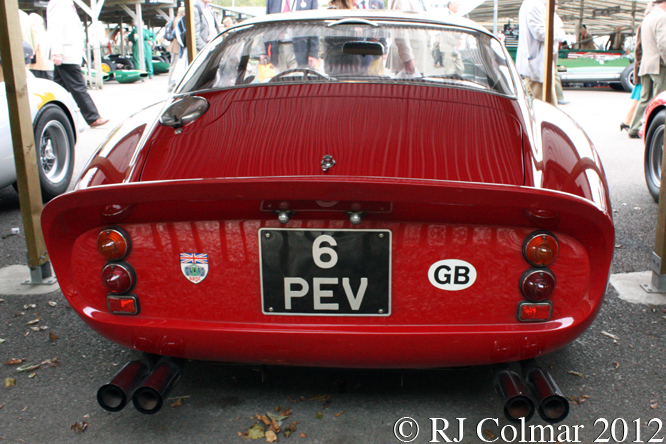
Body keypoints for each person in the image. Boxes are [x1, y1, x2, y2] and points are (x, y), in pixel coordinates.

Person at [46, 0, 108, 127]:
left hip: (69, 51)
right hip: (65, 53)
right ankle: (93, 117)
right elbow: (54, 27)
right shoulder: (58, 2)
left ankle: (54, 115)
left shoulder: (66, 3)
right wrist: (56, 51)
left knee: (59, 89)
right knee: (78, 87)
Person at [628, 0, 666, 139]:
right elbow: (663, 44)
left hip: (646, 65)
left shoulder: (648, 17)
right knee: (659, 99)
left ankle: (634, 128)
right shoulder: (662, 17)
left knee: (645, 98)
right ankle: (655, 129)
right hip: (658, 65)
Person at [516, 0, 557, 106]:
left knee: (537, 106)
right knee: (546, 108)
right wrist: (560, 34)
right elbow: (540, 32)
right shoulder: (534, 4)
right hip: (537, 66)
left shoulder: (533, 3)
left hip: (537, 65)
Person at [264, 0, 319, 71]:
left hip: (300, 50)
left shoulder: (310, 1)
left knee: (296, 78)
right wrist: (264, 51)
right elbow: (267, 25)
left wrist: (313, 53)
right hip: (278, 50)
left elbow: (314, 26)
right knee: (280, 80)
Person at [27, 13, 54, 80]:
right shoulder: (42, 29)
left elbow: (34, 43)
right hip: (46, 63)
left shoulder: (33, 29)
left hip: (37, 64)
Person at [165, 8, 185, 92]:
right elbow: (178, 33)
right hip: (176, 46)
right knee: (174, 67)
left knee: (174, 66)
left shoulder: (176, 20)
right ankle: (171, 85)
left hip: (175, 46)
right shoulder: (178, 20)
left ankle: (172, 85)